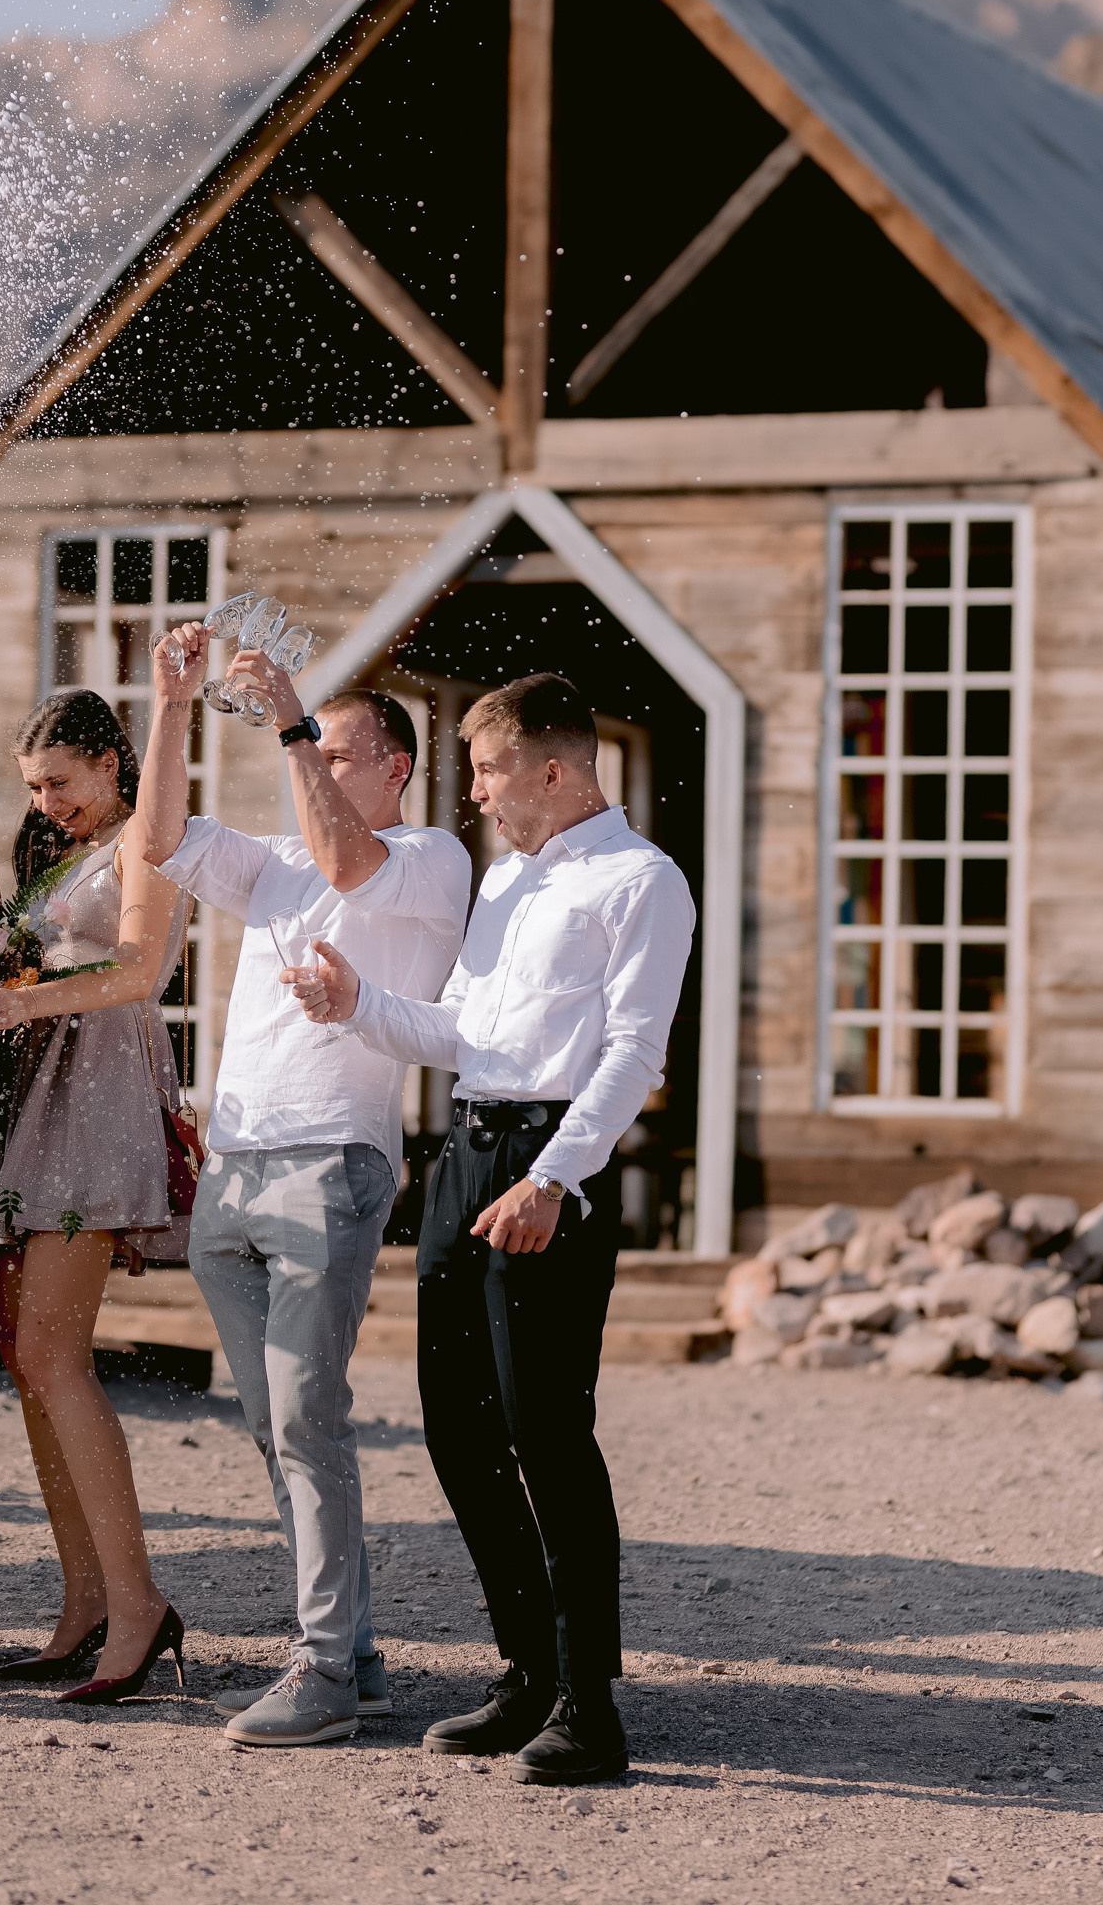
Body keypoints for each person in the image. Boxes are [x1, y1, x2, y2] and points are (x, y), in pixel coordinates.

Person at [286, 672, 695, 1787]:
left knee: (546, 1433)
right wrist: (358, 1005)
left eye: (486, 770)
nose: (472, 793)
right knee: (457, 1431)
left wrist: (553, 1180)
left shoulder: (641, 881)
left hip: (551, 1167)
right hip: (466, 1157)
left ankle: (588, 1705)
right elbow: (460, 1031)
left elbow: (634, 1053)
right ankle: (525, 1675)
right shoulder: (507, 882)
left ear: (552, 770)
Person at [132, 625, 468, 1748]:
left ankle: (321, 1669)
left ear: (395, 769)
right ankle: (355, 1660)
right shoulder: (274, 858)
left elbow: (346, 863)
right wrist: (171, 704)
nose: (311, 765)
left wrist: (285, 717)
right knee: (277, 1430)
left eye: (334, 753)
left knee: (307, 1420)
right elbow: (156, 838)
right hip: (233, 1168)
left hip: (333, 1162)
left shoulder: (428, 857)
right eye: (308, 752)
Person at [0, 689, 189, 1706]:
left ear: (108, 762)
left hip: (99, 1094)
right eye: (32, 788)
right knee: (24, 1352)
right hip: (40, 1092)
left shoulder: (146, 839)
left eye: (58, 781)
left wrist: (21, 998)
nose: (45, 802)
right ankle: (85, 1599)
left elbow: (138, 971)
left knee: (53, 1352)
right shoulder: (60, 855)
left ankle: (137, 1603)